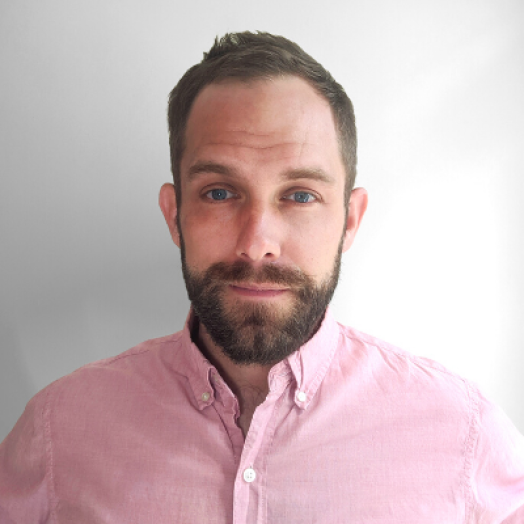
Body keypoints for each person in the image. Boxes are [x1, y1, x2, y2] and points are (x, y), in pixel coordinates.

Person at [0, 31, 523, 524]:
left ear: (349, 220)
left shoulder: (464, 434)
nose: (257, 243)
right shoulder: (57, 431)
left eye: (300, 195)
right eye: (220, 193)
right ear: (174, 214)